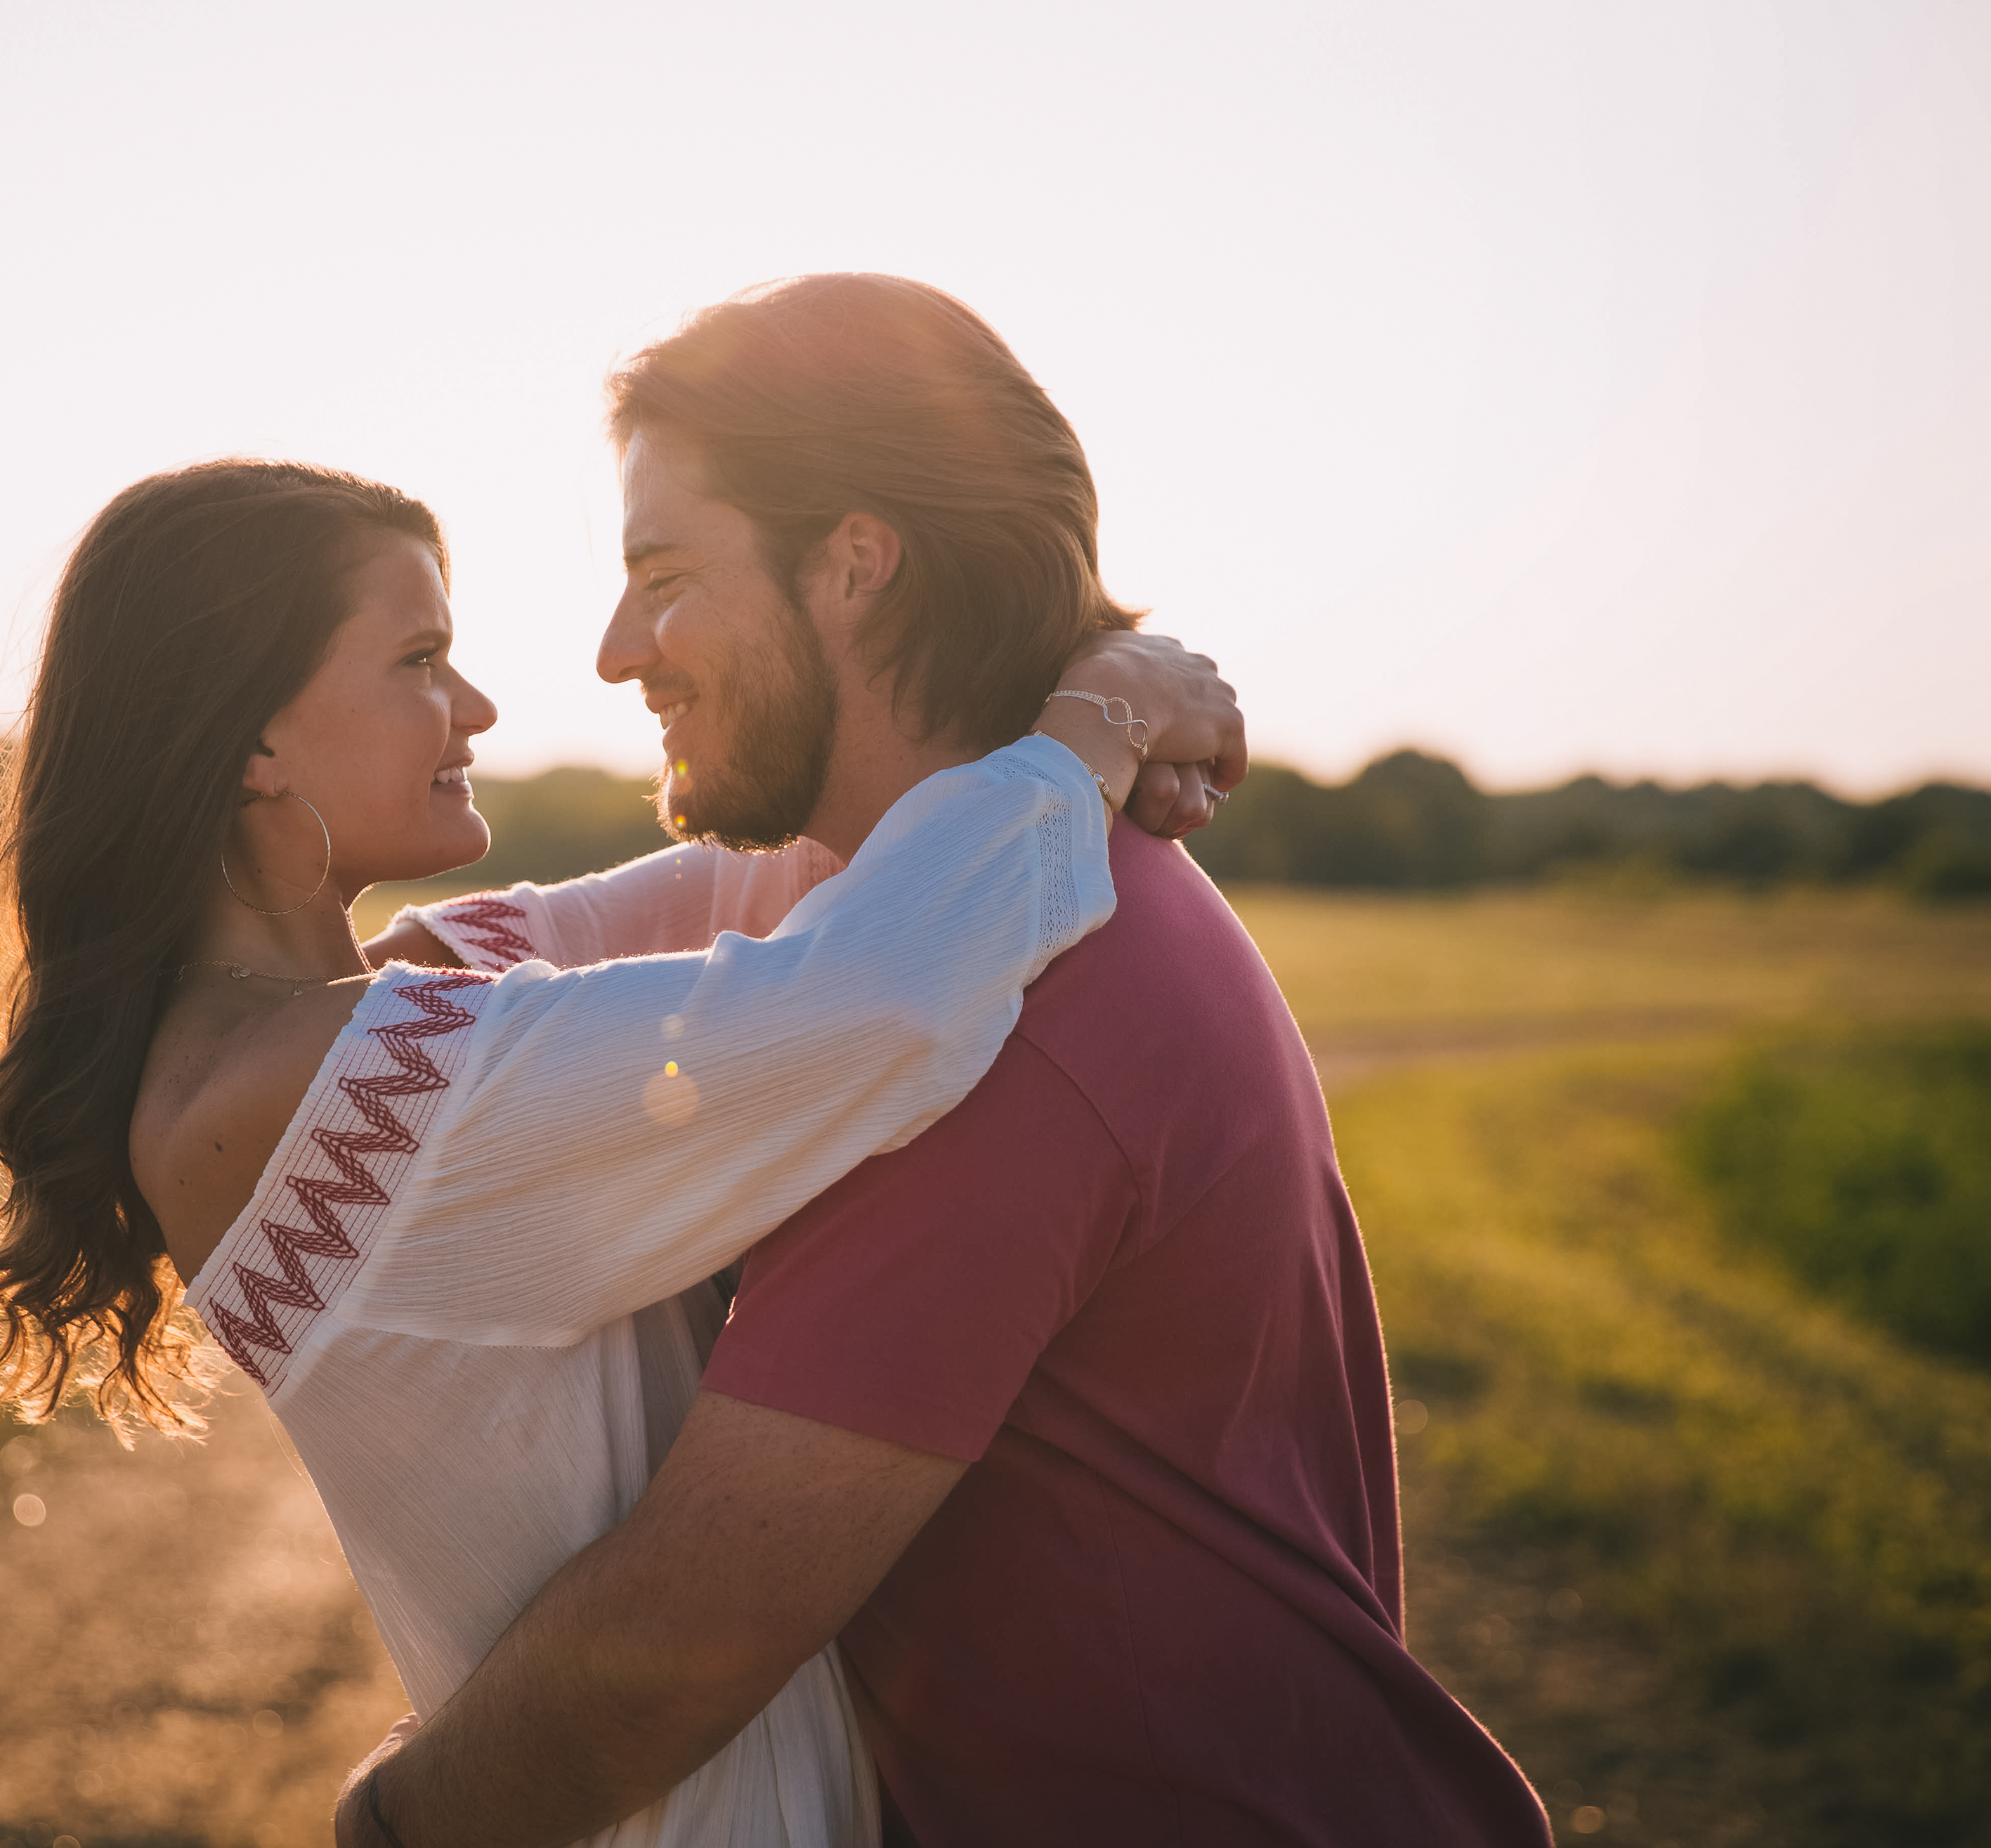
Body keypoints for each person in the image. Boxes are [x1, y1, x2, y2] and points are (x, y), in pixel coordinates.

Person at [337, 276, 1553, 1846]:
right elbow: (527, 946)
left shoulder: (998, 1000)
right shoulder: (896, 891)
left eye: (665, 574)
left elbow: (673, 1648)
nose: (615, 649)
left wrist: (389, 1823)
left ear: (855, 564)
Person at [0, 453, 1243, 1847]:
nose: (477, 707)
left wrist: (1064, 675)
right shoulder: (328, 1086)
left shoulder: (312, 1041)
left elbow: (767, 878)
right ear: (251, 741)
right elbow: (870, 1000)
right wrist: (1093, 724)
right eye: (420, 659)